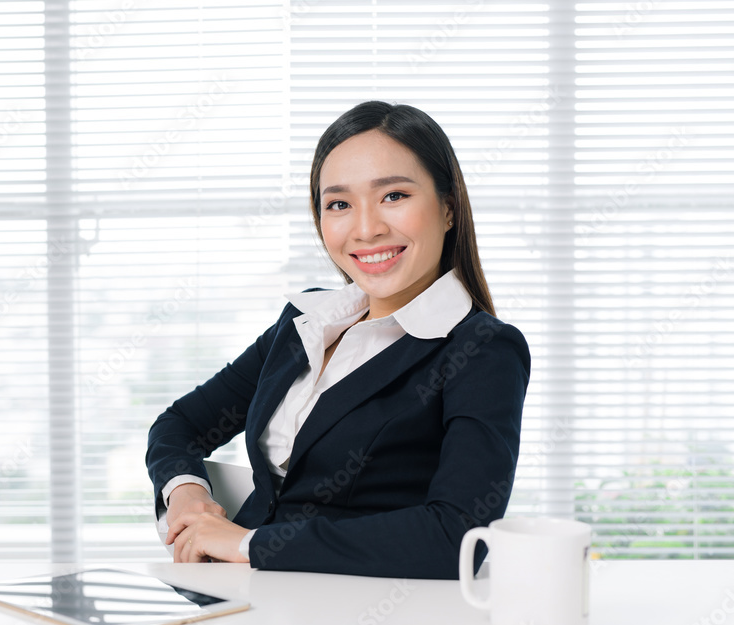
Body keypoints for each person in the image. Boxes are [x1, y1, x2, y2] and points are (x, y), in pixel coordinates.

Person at [145, 101, 530, 579]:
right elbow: (178, 425)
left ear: (448, 209)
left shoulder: (481, 350)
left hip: (358, 619)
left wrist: (251, 543)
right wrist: (188, 496)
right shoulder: (305, 321)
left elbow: (457, 538)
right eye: (340, 204)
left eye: (394, 196)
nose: (366, 228)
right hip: (235, 599)